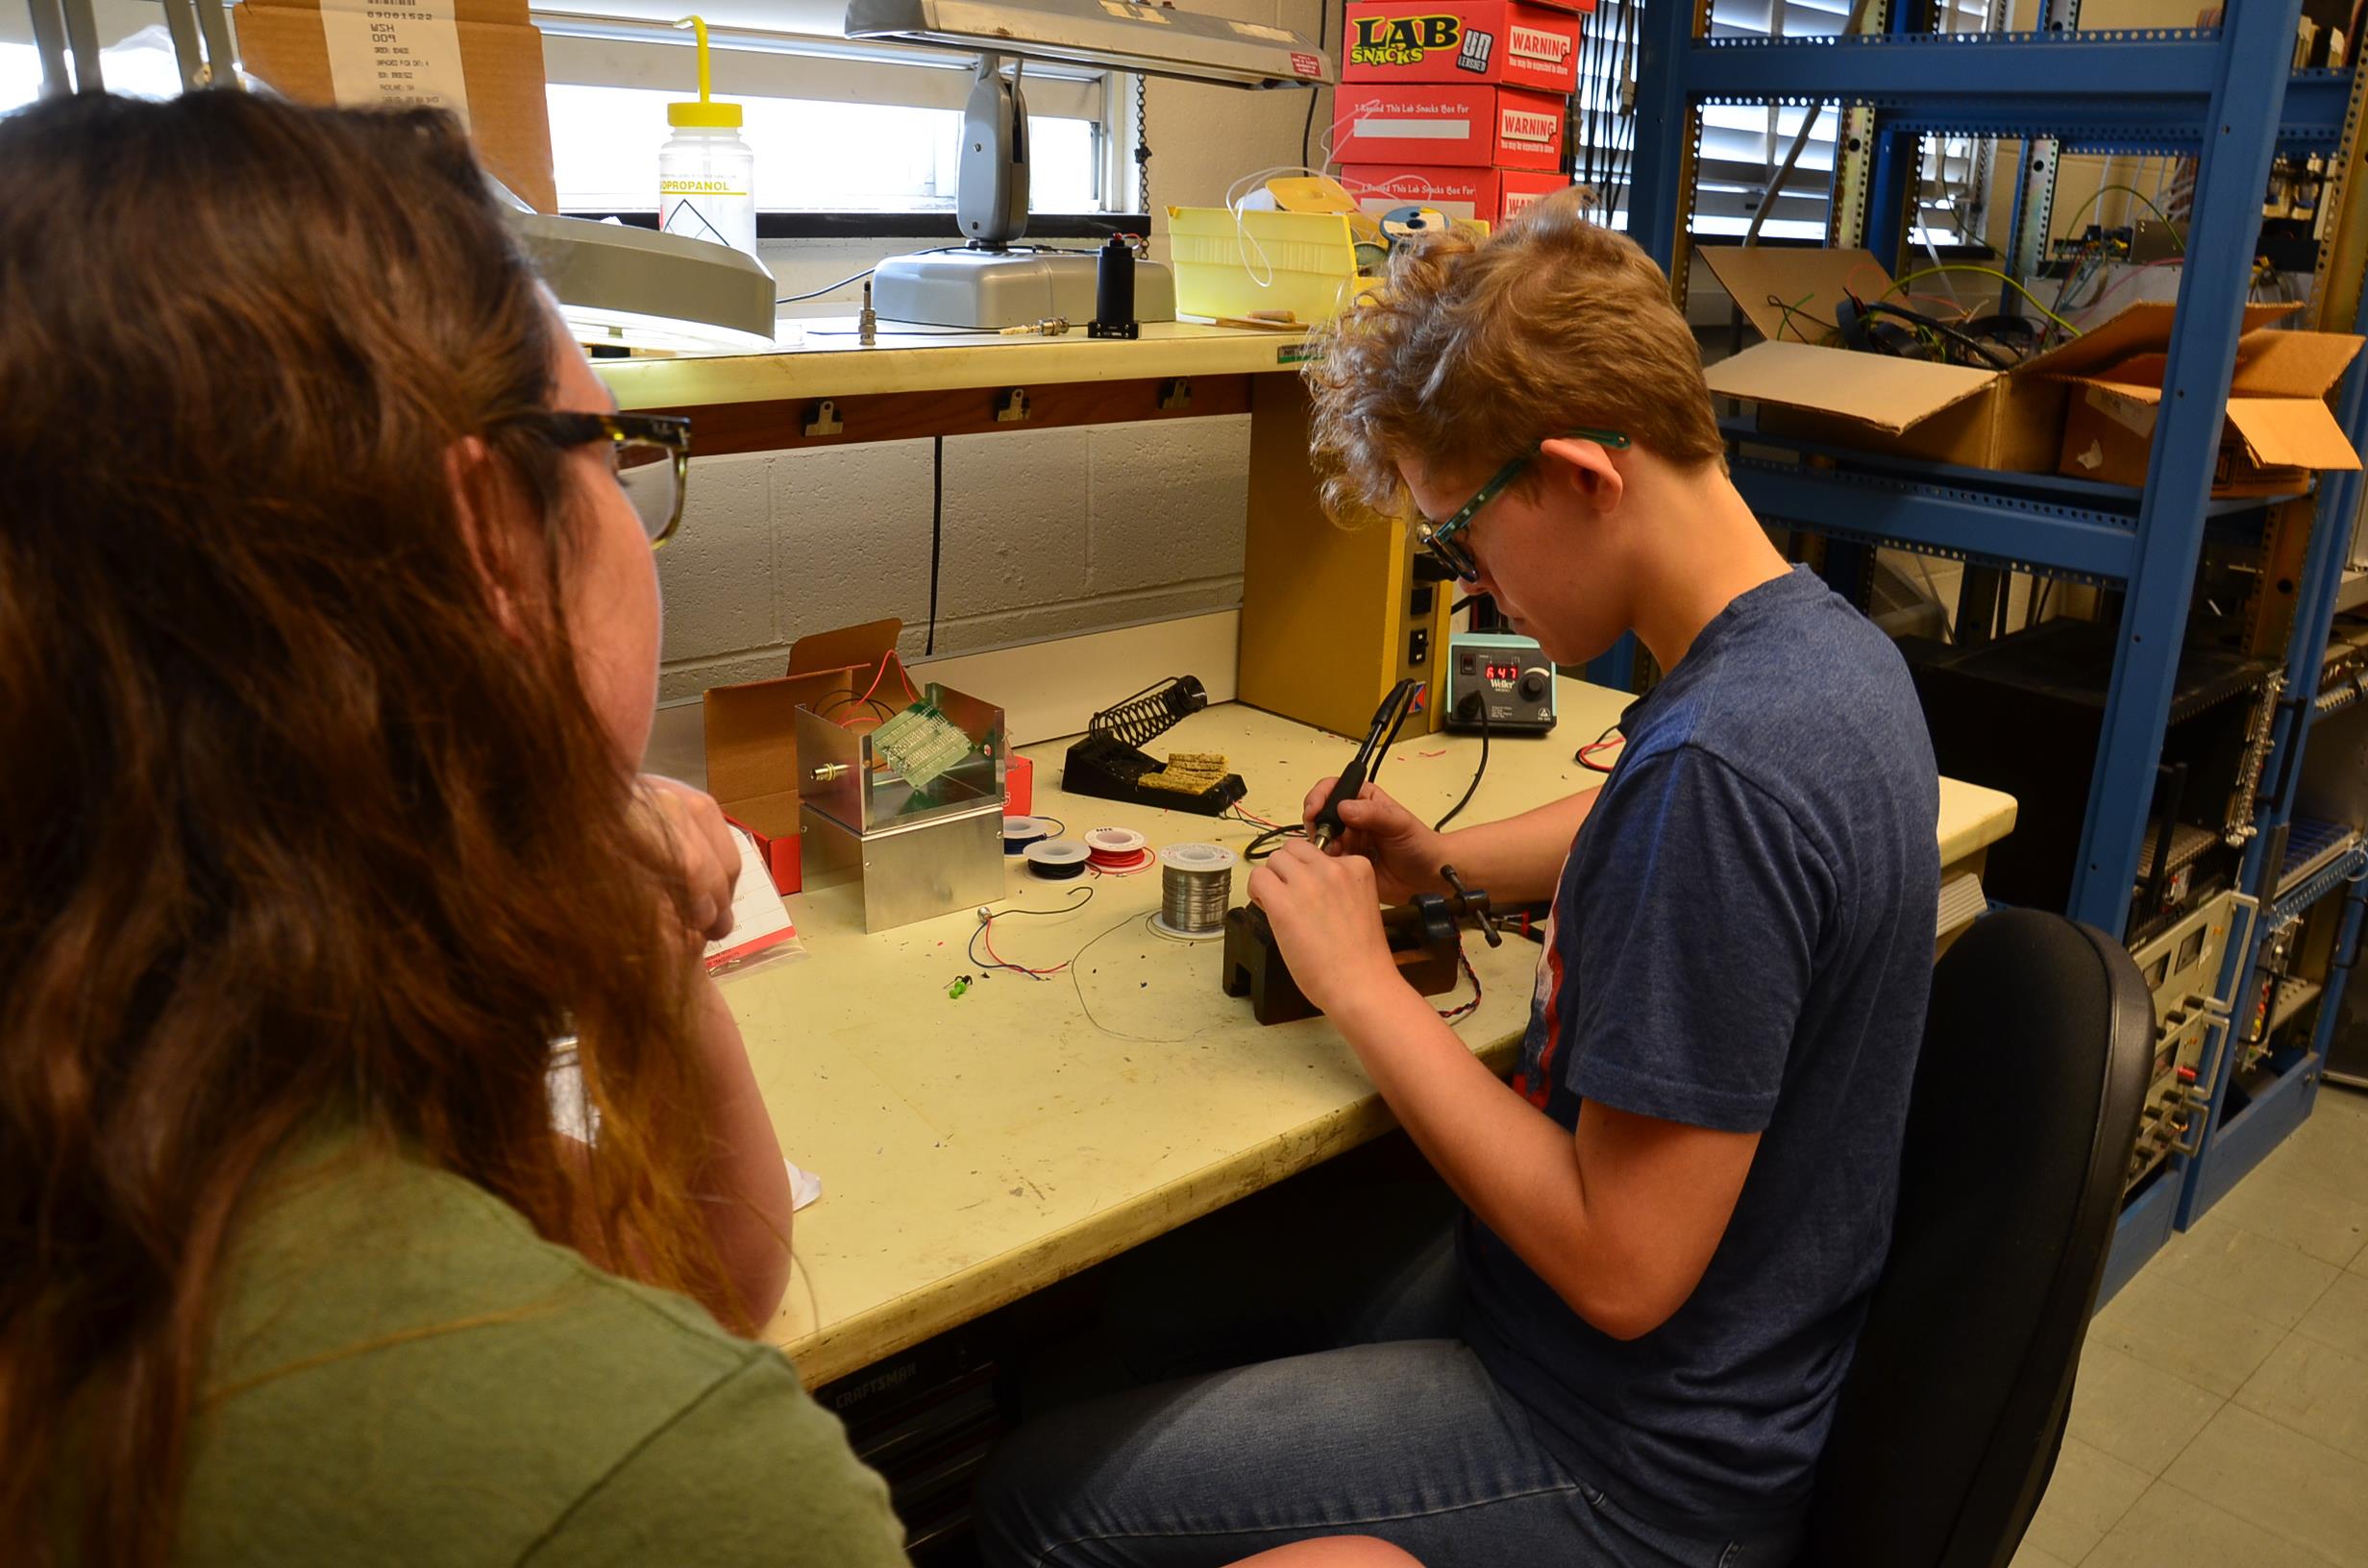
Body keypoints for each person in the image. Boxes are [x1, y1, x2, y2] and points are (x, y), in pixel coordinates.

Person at [0, 88, 1433, 1568]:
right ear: (492, 536)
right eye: (620, 459)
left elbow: (713, 1279)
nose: (633, 507)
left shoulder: (163, 1068)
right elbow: (687, 1364)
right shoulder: (665, 1477)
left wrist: (644, 949)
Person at [976, 191, 1941, 1567]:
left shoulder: (1723, 774)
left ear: (1584, 475)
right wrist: (1443, 861)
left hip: (1627, 1454)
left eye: (1466, 540)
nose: (1474, 592)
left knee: (1041, 1503)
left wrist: (1367, 988)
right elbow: (1660, 843)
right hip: (1703, 1368)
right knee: (1138, 1320)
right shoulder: (1823, 658)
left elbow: (1621, 1268)